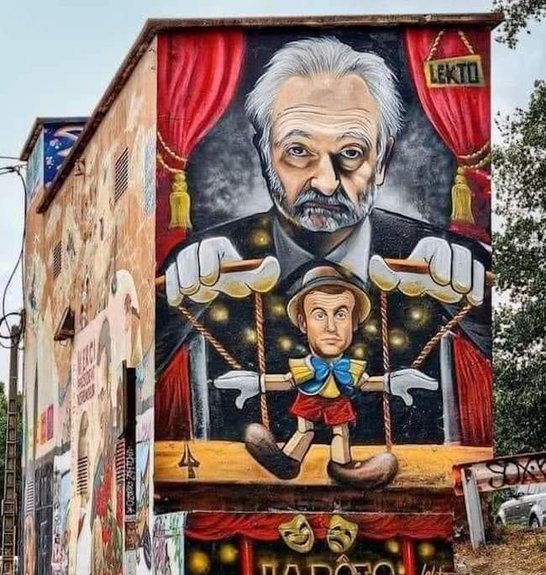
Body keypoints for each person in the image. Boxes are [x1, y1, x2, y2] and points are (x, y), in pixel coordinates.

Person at [158, 36, 490, 445]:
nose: (326, 183)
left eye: (351, 153)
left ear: (382, 160)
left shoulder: (436, 264)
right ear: (264, 154)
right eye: (298, 151)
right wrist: (171, 306)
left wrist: (477, 304)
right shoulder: (210, 266)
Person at [214, 266, 438, 487]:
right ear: (303, 323)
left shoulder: (348, 368)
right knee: (305, 430)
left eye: (340, 314)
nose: (331, 327)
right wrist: (257, 383)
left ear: (354, 322)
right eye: (319, 315)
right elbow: (287, 381)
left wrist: (391, 383)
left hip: (338, 402)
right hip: (309, 398)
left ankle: (343, 466)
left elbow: (366, 383)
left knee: (341, 432)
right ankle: (287, 462)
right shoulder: (306, 367)